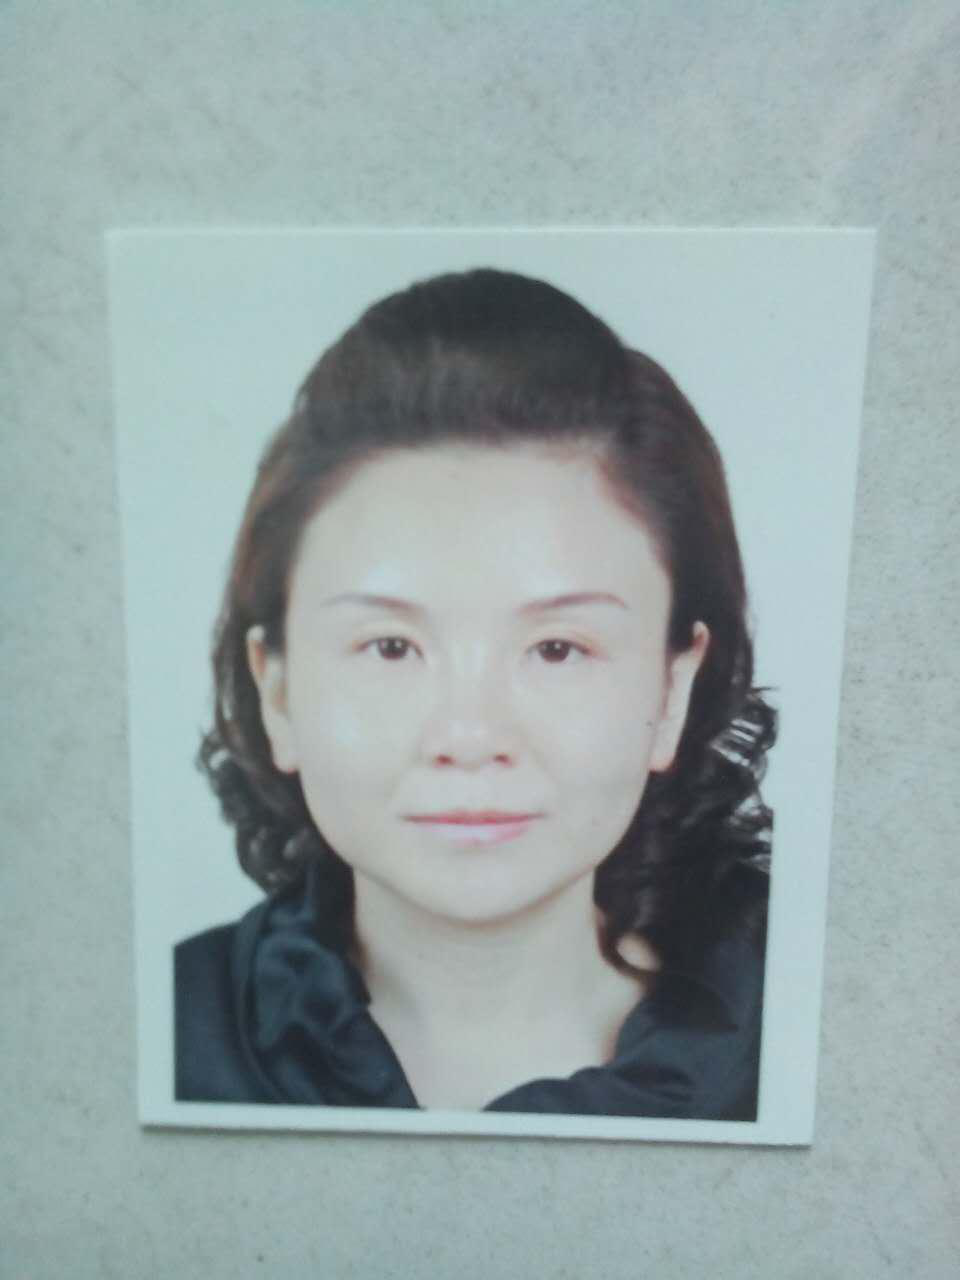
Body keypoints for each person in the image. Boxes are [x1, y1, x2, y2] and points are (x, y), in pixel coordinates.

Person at [175, 267, 776, 1118]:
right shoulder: (150, 1032)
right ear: (276, 690)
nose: (468, 736)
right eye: (390, 647)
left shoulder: (821, 1029)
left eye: (558, 649)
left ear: (673, 688)